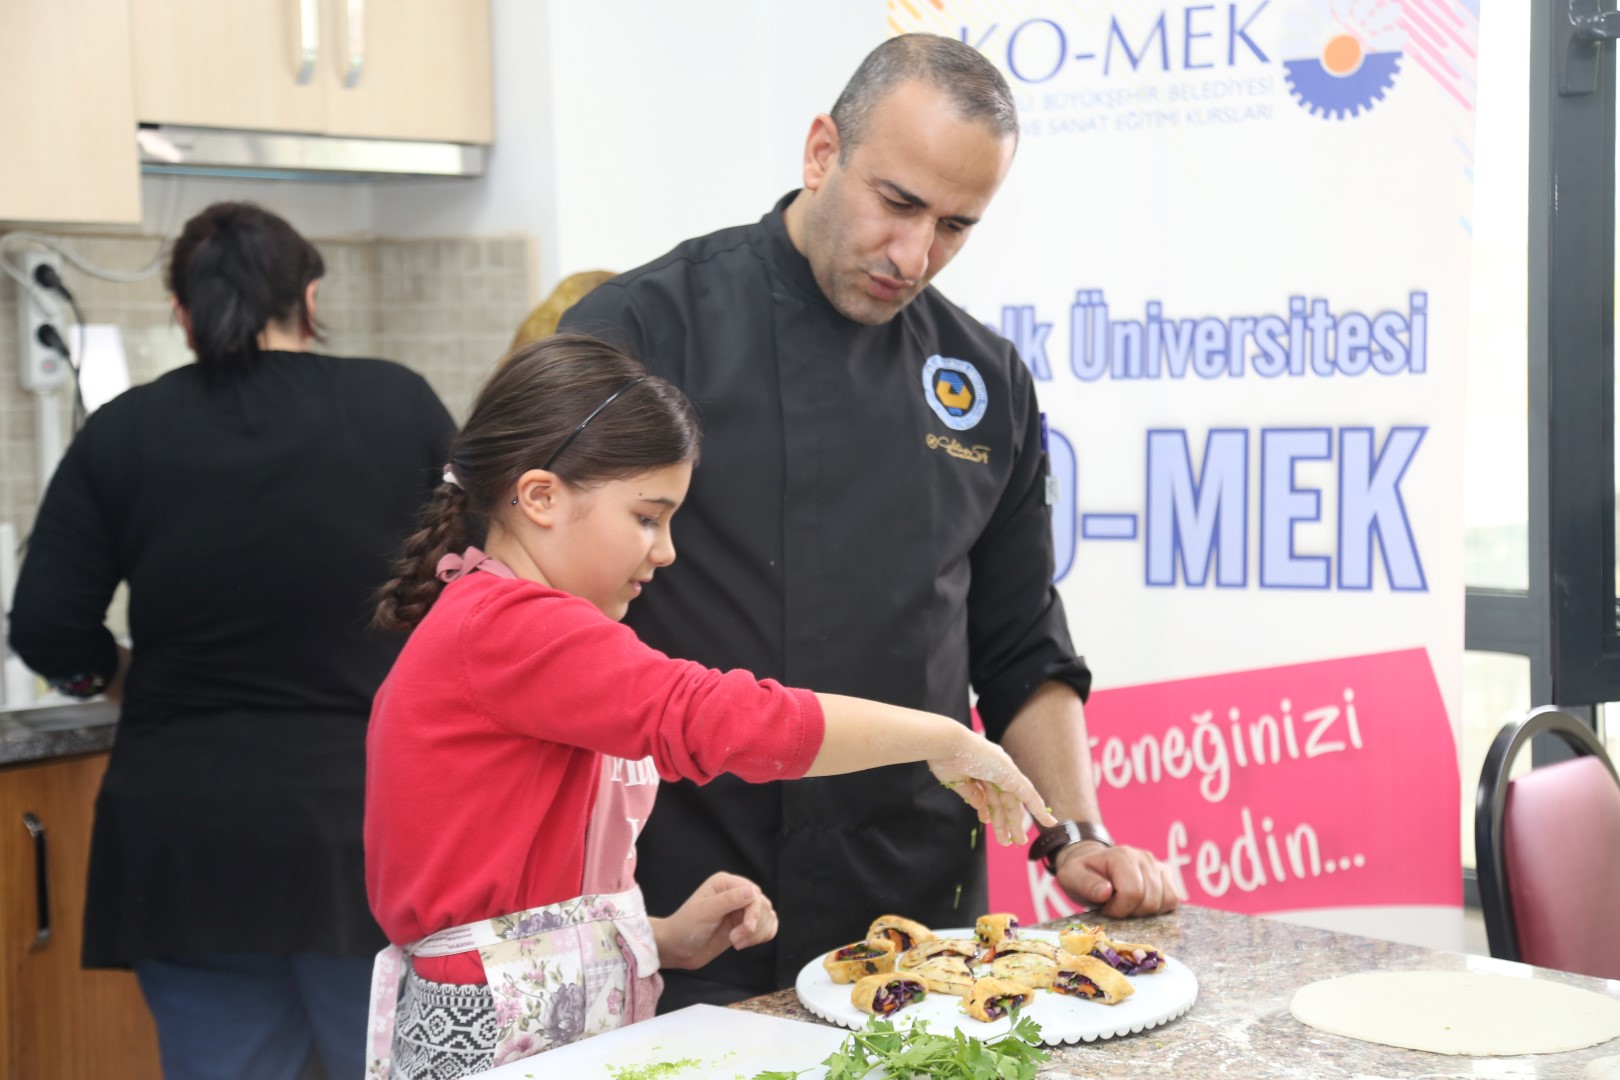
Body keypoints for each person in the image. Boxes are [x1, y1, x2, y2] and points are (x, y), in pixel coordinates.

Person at [558, 32, 1182, 1011]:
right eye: (896, 204)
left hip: (912, 919)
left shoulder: (983, 381)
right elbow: (546, 629)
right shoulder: (639, 331)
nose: (913, 255)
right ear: (821, 153)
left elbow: (1019, 642)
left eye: (956, 226)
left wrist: (1074, 833)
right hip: (689, 900)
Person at [363, 333, 1055, 1079]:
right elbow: (716, 718)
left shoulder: (500, 616)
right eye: (646, 517)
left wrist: (656, 938)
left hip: (524, 1004)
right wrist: (941, 736)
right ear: (540, 497)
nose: (665, 551)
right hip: (495, 1029)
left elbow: (512, 906)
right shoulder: (512, 624)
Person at [8, 202, 456, 1080]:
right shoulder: (395, 403)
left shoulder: (124, 431)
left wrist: (115, 676)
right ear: (311, 297)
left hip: (185, 848)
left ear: (182, 313)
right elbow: (480, 579)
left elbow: (43, 626)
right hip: (364, 832)